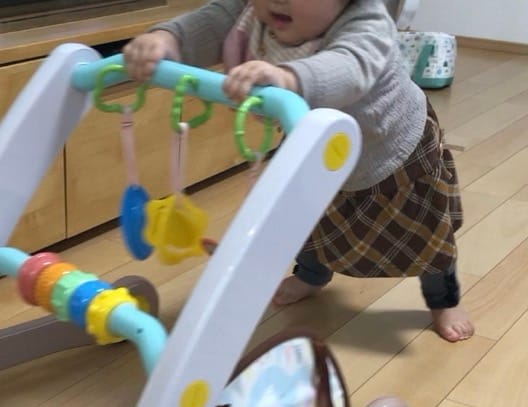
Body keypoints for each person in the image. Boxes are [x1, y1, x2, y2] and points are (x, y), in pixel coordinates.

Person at [122, 0, 475, 342]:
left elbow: (349, 67)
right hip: (316, 145)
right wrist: (169, 39)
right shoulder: (250, 11)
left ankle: (443, 300)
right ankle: (311, 275)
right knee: (308, 220)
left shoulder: (367, 21)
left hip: (393, 151)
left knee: (425, 236)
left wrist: (288, 76)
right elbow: (213, 22)